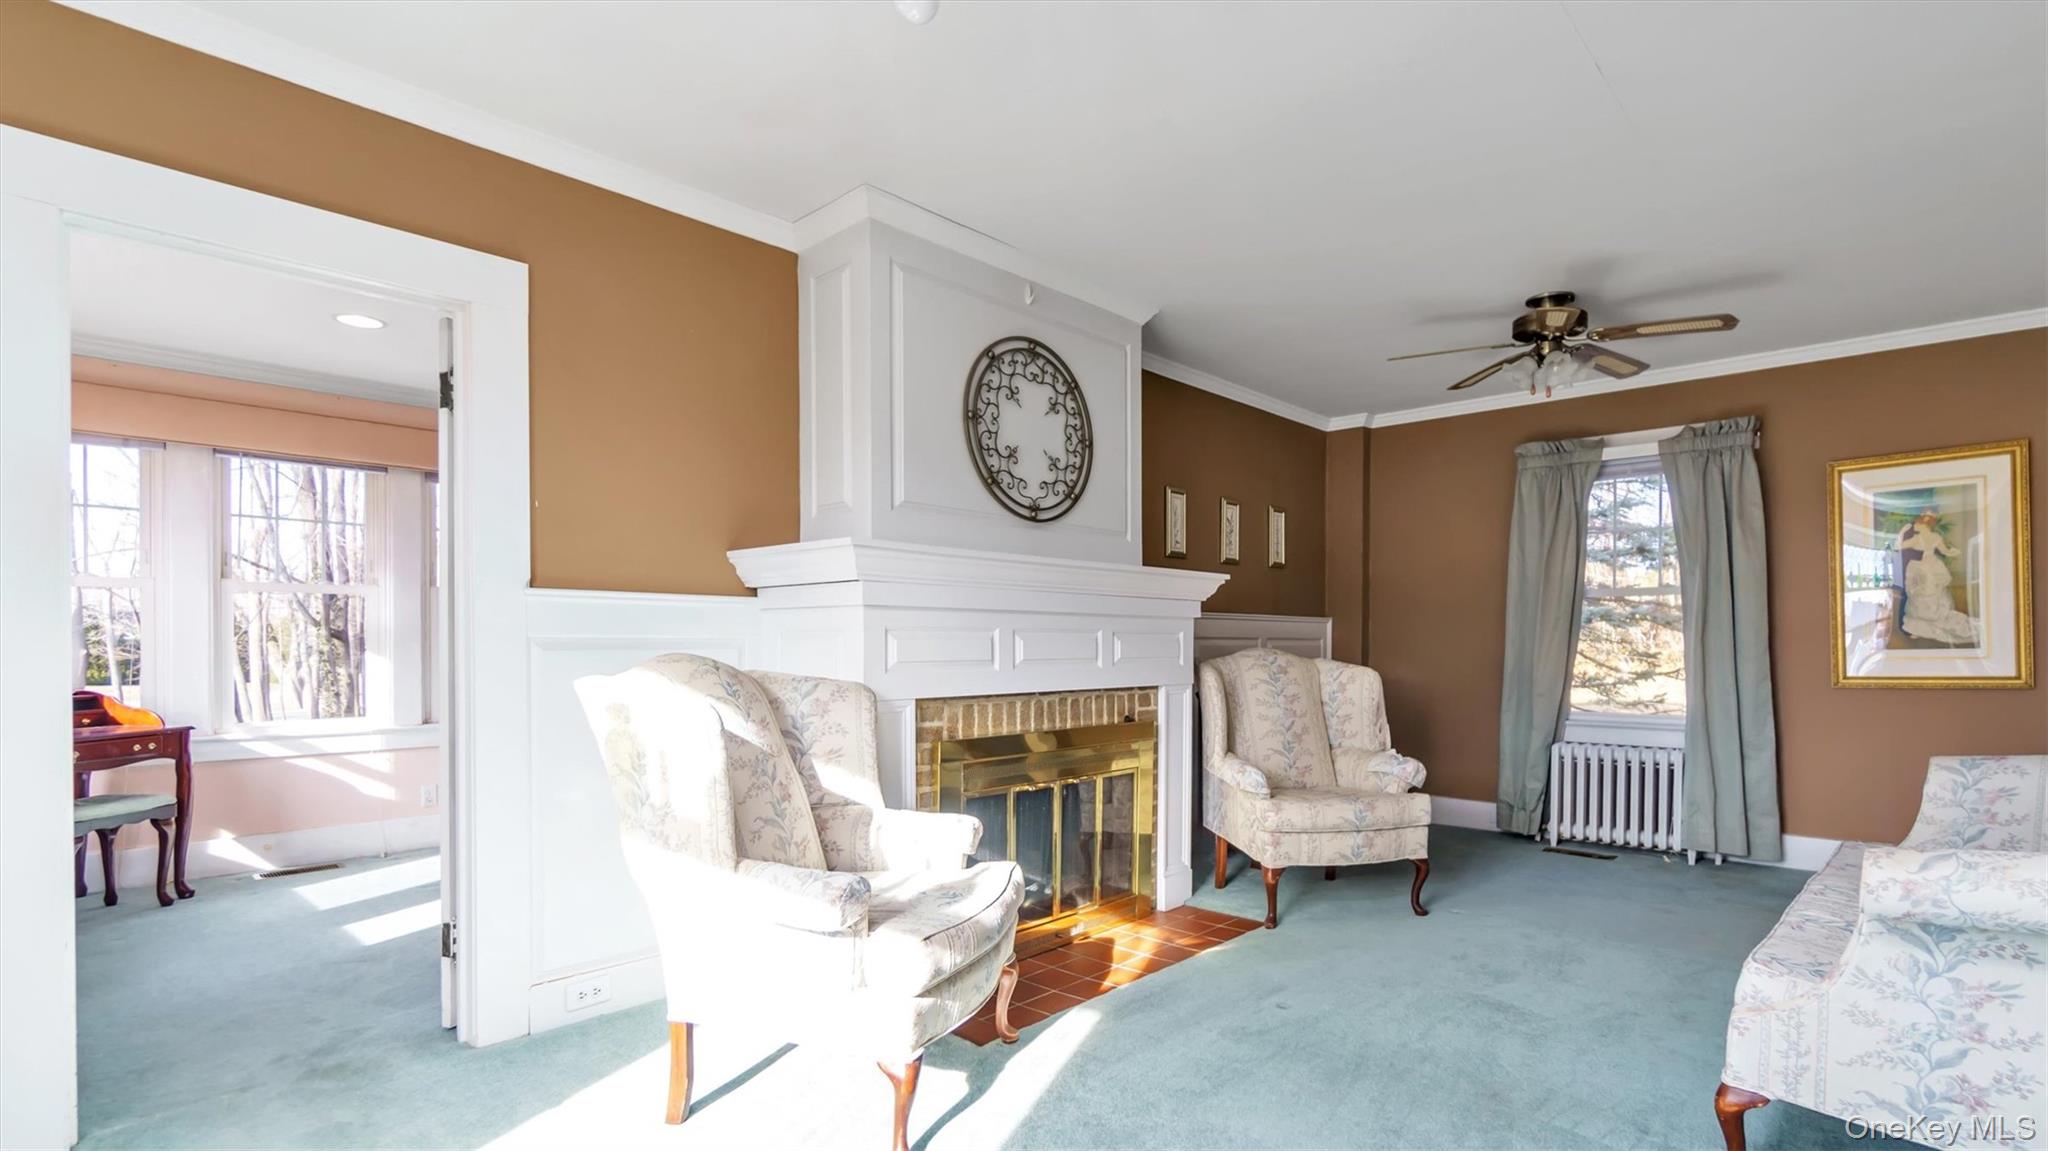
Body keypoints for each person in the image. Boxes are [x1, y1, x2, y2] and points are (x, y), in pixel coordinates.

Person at [1896, 511, 1979, 645]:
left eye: (1918, 524)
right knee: (1931, 595)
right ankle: (1929, 619)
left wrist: (1902, 531)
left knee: (1922, 595)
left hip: (1921, 568)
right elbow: (1946, 551)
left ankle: (1923, 622)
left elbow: (1899, 545)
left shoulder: (1917, 539)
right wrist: (1955, 551)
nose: (1916, 526)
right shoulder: (1936, 537)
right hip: (1932, 566)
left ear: (1923, 524)